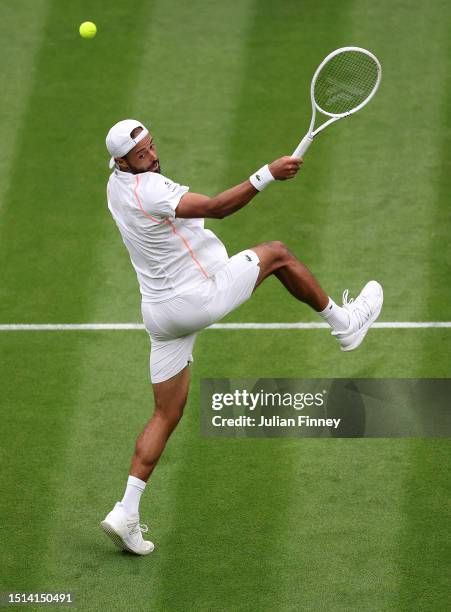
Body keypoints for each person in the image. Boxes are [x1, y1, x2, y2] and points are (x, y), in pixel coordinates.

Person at [100, 119, 383, 555]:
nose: (152, 157)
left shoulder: (116, 186)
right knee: (278, 255)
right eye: (142, 156)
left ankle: (126, 511)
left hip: (158, 314)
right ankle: (345, 325)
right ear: (122, 161)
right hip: (197, 296)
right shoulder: (151, 191)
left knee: (165, 413)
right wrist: (267, 173)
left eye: (152, 147)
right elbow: (216, 207)